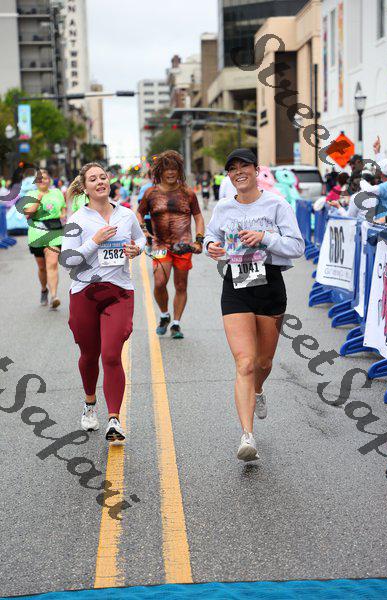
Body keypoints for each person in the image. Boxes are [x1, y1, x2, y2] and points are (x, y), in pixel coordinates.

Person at [204, 148, 304, 462]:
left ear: (256, 170)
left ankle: (258, 390)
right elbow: (210, 235)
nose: (238, 172)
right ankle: (247, 436)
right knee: (245, 363)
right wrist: (211, 246)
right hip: (236, 284)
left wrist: (264, 237)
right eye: (232, 168)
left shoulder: (277, 204)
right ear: (229, 175)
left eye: (244, 166)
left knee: (263, 363)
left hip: (269, 285)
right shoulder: (223, 207)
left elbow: (297, 247)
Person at [60, 162, 145, 442]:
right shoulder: (77, 219)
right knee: (89, 355)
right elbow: (68, 259)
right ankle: (89, 403)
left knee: (110, 354)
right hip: (85, 292)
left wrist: (136, 249)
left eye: (103, 177)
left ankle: (114, 420)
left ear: (109, 182)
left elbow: (141, 239)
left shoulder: (126, 214)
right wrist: (94, 241)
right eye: (93, 179)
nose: (100, 182)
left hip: (118, 292)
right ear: (85, 188)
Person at [136, 150, 205, 339]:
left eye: (175, 168)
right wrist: (143, 230)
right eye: (167, 169)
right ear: (160, 171)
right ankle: (164, 314)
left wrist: (199, 241)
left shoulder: (188, 193)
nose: (171, 172)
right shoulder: (151, 193)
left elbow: (198, 217)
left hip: (183, 246)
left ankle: (176, 324)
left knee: (181, 285)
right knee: (159, 282)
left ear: (179, 170)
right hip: (159, 245)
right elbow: (139, 213)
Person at [23, 169, 66, 309]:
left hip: (55, 232)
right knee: (42, 268)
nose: (43, 181)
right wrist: (38, 199)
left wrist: (63, 216)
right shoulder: (30, 194)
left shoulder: (57, 192)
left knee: (52, 264)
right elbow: (28, 213)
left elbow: (63, 208)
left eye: (45, 178)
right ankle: (44, 289)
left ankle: (54, 296)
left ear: (49, 180)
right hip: (37, 234)